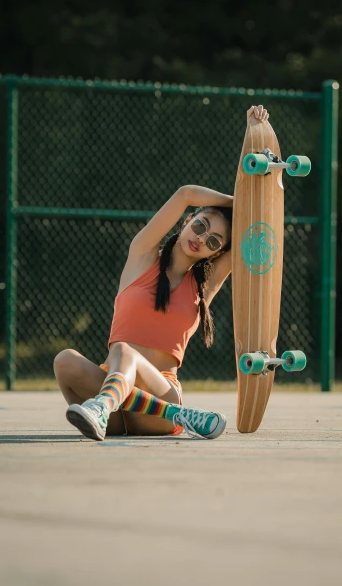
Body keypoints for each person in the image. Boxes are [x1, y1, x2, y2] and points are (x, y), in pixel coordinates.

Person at [54, 104, 270, 440]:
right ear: (187, 222)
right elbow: (186, 194)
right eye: (200, 226)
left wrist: (254, 135)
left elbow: (257, 220)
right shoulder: (142, 256)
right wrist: (233, 201)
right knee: (65, 360)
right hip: (118, 400)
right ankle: (128, 410)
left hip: (159, 394)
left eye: (214, 241)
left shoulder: (205, 286)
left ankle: (104, 408)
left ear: (218, 252)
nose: (202, 238)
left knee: (123, 351)